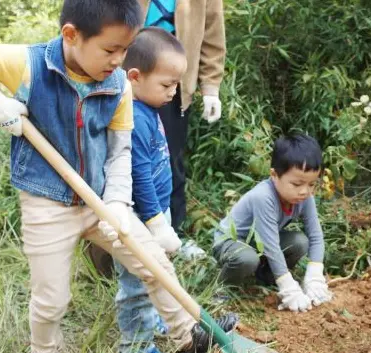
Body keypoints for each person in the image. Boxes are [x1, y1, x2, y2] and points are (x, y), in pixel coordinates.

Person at [0, 1, 232, 352]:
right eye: (111, 50)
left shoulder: (119, 84)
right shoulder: (30, 64)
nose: (119, 61)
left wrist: (116, 203)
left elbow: (120, 152)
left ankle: (188, 337)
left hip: (99, 199)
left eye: (126, 50)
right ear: (71, 35)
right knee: (51, 302)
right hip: (47, 204)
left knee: (153, 262)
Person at [114, 27, 238, 353]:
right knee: (136, 285)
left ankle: (160, 322)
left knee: (159, 275)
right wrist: (155, 219)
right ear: (135, 77)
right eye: (167, 85)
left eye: (176, 85)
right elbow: (138, 174)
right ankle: (135, 345)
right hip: (139, 217)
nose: (173, 92)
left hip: (156, 210)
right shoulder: (132, 119)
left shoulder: (148, 108)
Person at [139, 0, 227, 259]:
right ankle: (122, 240)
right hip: (127, 76)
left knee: (171, 161)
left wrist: (210, 88)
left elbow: (212, 34)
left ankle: (173, 234)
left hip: (174, 85)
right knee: (121, 159)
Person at [212, 134, 334, 312]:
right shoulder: (263, 197)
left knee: (300, 242)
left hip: (259, 243)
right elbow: (270, 245)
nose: (304, 191)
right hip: (230, 242)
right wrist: (288, 286)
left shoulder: (305, 197)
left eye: (311, 184)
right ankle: (221, 289)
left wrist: (315, 274)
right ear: (274, 175)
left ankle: (266, 276)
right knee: (247, 258)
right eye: (297, 183)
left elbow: (315, 236)